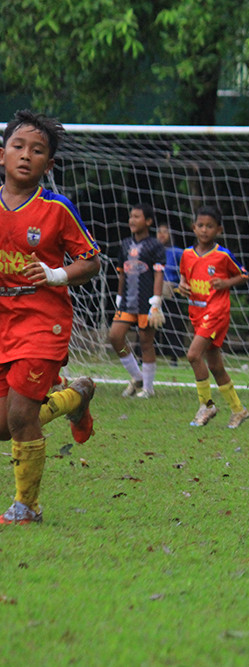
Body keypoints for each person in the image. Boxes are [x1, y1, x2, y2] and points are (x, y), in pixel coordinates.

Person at [0, 109, 100, 525]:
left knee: (21, 416)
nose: (26, 155)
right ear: (1, 153)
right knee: (6, 426)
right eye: (18, 146)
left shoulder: (57, 209)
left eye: (37, 150)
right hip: (4, 321)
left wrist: (57, 274)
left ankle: (27, 506)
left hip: (45, 322)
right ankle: (74, 398)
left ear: (49, 164)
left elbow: (91, 262)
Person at [177, 205, 249, 428]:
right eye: (200, 226)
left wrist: (226, 282)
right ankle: (239, 410)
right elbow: (183, 277)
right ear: (193, 227)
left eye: (209, 226)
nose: (204, 230)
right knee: (216, 366)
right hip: (198, 313)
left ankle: (206, 405)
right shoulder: (187, 255)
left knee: (192, 355)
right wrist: (182, 286)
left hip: (216, 313)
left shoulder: (222, 255)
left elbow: (243, 275)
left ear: (218, 229)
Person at [108, 203, 165, 398]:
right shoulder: (124, 245)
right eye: (131, 216)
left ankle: (148, 388)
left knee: (146, 342)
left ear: (148, 221)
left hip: (145, 303)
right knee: (116, 337)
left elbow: (158, 275)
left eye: (137, 216)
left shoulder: (155, 246)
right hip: (127, 302)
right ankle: (137, 376)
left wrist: (156, 301)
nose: (132, 220)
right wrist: (119, 295)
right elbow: (122, 273)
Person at [156, 224, 187, 363]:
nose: (161, 234)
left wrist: (181, 283)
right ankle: (144, 355)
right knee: (151, 322)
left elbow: (186, 269)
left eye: (165, 232)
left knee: (173, 324)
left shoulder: (178, 252)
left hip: (171, 291)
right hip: (153, 291)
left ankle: (174, 356)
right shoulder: (153, 250)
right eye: (159, 232)